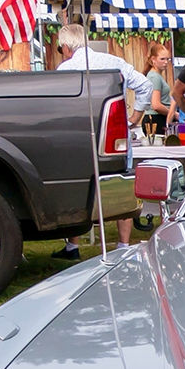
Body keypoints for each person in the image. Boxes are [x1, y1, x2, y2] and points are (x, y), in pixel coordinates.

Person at [52, 23, 154, 259]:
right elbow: (145, 86)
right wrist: (136, 116)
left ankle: (72, 246)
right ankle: (123, 245)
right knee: (121, 186)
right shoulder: (115, 62)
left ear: (66, 47)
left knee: (77, 188)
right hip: (116, 134)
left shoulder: (66, 68)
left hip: (80, 137)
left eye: (60, 48)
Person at [144, 43, 174, 134]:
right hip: (155, 119)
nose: (166, 62)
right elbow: (156, 105)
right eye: (162, 59)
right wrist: (173, 114)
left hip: (158, 118)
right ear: (153, 59)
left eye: (167, 59)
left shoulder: (156, 76)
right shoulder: (154, 77)